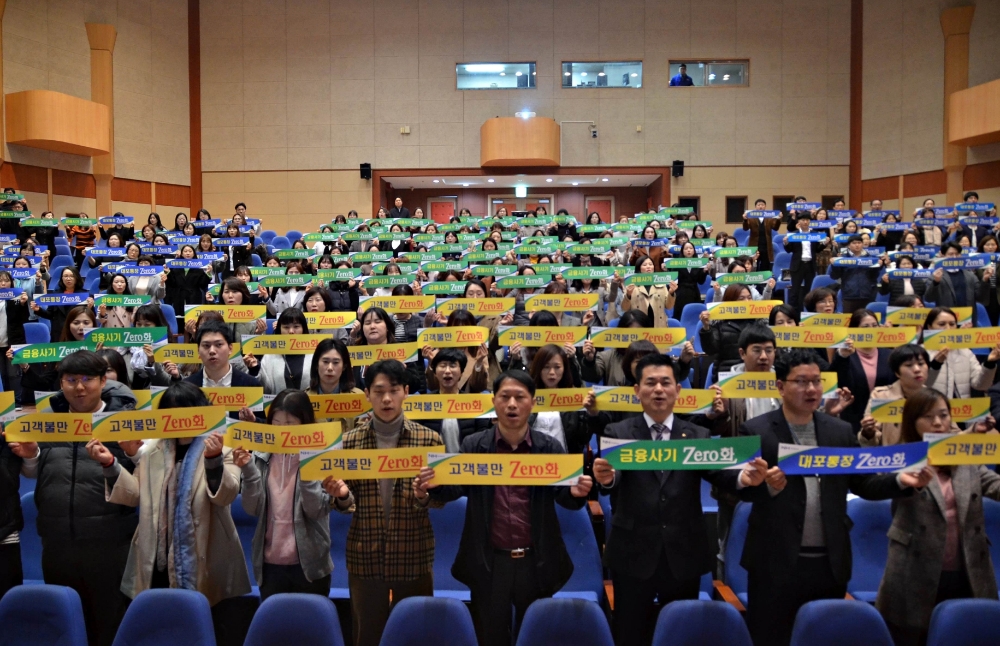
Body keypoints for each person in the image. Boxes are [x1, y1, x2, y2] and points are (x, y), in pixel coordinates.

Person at [737, 349, 932, 646]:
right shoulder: (757, 431)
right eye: (801, 382)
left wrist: (900, 481)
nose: (812, 389)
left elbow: (862, 484)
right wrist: (766, 486)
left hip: (829, 563)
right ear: (780, 387)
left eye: (816, 381)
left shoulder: (839, 431)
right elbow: (741, 488)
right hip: (774, 563)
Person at [593, 354, 766, 645]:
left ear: (678, 391)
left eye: (665, 383)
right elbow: (615, 476)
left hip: (683, 552)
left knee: (681, 633)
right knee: (630, 632)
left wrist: (742, 479)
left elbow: (719, 473)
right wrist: (607, 478)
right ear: (637, 391)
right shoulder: (617, 432)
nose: (658, 390)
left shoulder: (696, 434)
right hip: (632, 553)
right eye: (650, 383)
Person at [416, 370, 595, 646]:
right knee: (490, 637)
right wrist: (433, 485)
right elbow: (456, 488)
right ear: (493, 401)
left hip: (536, 561)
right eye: (505, 397)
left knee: (534, 637)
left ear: (532, 403)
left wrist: (577, 492)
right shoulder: (474, 446)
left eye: (520, 397)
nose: (512, 404)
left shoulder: (549, 447)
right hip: (489, 562)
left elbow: (566, 498)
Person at [7, 351, 138, 646]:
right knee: (64, 626)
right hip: (57, 545)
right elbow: (36, 473)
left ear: (103, 381)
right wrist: (31, 458)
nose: (79, 388)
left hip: (109, 545)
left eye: (87, 379)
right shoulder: (46, 423)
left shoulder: (124, 423)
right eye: (71, 380)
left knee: (108, 627)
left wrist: (129, 454)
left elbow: (142, 483)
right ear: (61, 384)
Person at [86, 381, 251, 611]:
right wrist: (110, 464)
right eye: (171, 413)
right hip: (157, 556)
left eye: (186, 412)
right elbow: (135, 495)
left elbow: (225, 496)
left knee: (203, 622)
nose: (179, 419)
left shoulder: (224, 448)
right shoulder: (153, 449)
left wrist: (213, 460)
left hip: (206, 554)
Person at [877, 387, 1000, 646]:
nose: (938, 423)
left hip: (966, 567)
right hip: (915, 569)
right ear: (913, 422)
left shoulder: (965, 456)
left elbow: (993, 484)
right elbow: (879, 482)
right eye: (928, 417)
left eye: (944, 415)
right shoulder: (903, 457)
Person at [334, 359, 443, 646]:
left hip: (413, 555)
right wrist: (343, 497)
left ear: (406, 391)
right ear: (367, 393)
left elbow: (439, 500)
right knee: (367, 637)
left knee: (417, 637)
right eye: (378, 390)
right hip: (365, 556)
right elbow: (342, 503)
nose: (386, 398)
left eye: (393, 390)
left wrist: (424, 497)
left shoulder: (428, 440)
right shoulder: (348, 443)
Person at [234, 389, 338, 601]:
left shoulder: (323, 455)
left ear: (305, 424)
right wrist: (248, 470)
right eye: (277, 423)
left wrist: (307, 466)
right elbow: (251, 508)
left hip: (310, 566)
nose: (282, 431)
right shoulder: (261, 456)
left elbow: (316, 509)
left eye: (290, 424)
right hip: (270, 565)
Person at [528, 344, 607, 454]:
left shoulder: (573, 396)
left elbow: (583, 438)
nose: (552, 372)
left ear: (564, 369)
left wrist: (590, 413)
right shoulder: (526, 396)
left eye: (557, 367)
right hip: (530, 465)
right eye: (546, 367)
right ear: (538, 368)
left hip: (567, 463)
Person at [412, 349, 491, 453]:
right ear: (435, 372)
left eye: (453, 366)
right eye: (443, 366)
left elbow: (483, 435)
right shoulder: (424, 403)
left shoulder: (474, 402)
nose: (447, 371)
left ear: (461, 373)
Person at [831, 309, 895, 433]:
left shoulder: (889, 354)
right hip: (853, 421)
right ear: (854, 330)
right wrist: (842, 356)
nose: (871, 330)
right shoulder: (845, 355)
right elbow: (836, 382)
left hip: (884, 421)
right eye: (866, 326)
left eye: (874, 326)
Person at [185, 321, 264, 421]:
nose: (212, 351)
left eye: (218, 345)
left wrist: (253, 420)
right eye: (206, 346)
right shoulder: (188, 386)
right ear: (198, 351)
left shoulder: (250, 384)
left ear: (230, 349)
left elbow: (264, 423)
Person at [922, 306, 999, 401]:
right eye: (942, 324)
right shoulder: (921, 352)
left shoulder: (965, 352)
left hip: (962, 412)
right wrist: (936, 365)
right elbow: (921, 385)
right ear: (929, 326)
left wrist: (989, 363)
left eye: (952, 324)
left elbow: (981, 385)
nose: (948, 329)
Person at [244, 308, 312, 393]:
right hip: (278, 404)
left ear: (303, 329)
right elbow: (265, 389)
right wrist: (254, 371)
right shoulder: (270, 355)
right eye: (286, 327)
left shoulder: (314, 354)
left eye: (296, 326)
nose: (291, 331)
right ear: (279, 329)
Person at [924, 242, 987, 324]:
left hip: (967, 321)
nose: (954, 257)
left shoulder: (970, 275)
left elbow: (980, 298)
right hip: (946, 321)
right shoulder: (935, 275)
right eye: (950, 254)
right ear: (943, 255)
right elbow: (929, 298)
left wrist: (985, 280)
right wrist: (936, 282)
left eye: (957, 254)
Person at [784, 212, 828, 311]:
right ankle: (793, 313)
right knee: (794, 291)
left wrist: (824, 243)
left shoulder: (814, 234)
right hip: (797, 265)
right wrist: (786, 243)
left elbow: (817, 249)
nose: (805, 222)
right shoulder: (794, 234)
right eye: (803, 220)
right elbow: (789, 250)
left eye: (807, 220)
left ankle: (809, 312)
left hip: (810, 265)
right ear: (799, 221)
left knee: (809, 291)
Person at [830, 234, 884, 315]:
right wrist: (834, 265)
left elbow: (874, 277)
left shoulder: (871, 258)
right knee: (849, 321)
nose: (857, 245)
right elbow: (835, 276)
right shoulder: (843, 259)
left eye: (859, 243)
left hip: (867, 294)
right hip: (849, 295)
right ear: (849, 245)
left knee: (866, 320)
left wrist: (878, 266)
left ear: (862, 244)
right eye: (854, 243)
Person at [743, 199, 781, 272]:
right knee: (754, 265)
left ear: (765, 206)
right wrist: (745, 220)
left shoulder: (770, 217)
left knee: (765, 265)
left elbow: (775, 228)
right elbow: (745, 228)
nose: (760, 206)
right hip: (754, 245)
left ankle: (764, 282)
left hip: (766, 245)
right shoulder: (751, 217)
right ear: (755, 207)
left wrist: (778, 220)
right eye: (759, 205)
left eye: (762, 205)